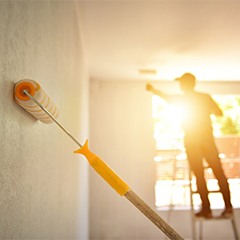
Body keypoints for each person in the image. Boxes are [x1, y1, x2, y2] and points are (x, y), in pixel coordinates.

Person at [146, 72, 233, 218]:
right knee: (217, 173)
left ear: (186, 84)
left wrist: (153, 90)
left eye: (181, 83)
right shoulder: (204, 97)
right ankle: (226, 208)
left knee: (200, 175)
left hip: (193, 141)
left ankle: (207, 209)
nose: (180, 86)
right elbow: (219, 113)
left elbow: (167, 97)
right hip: (206, 140)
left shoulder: (183, 99)